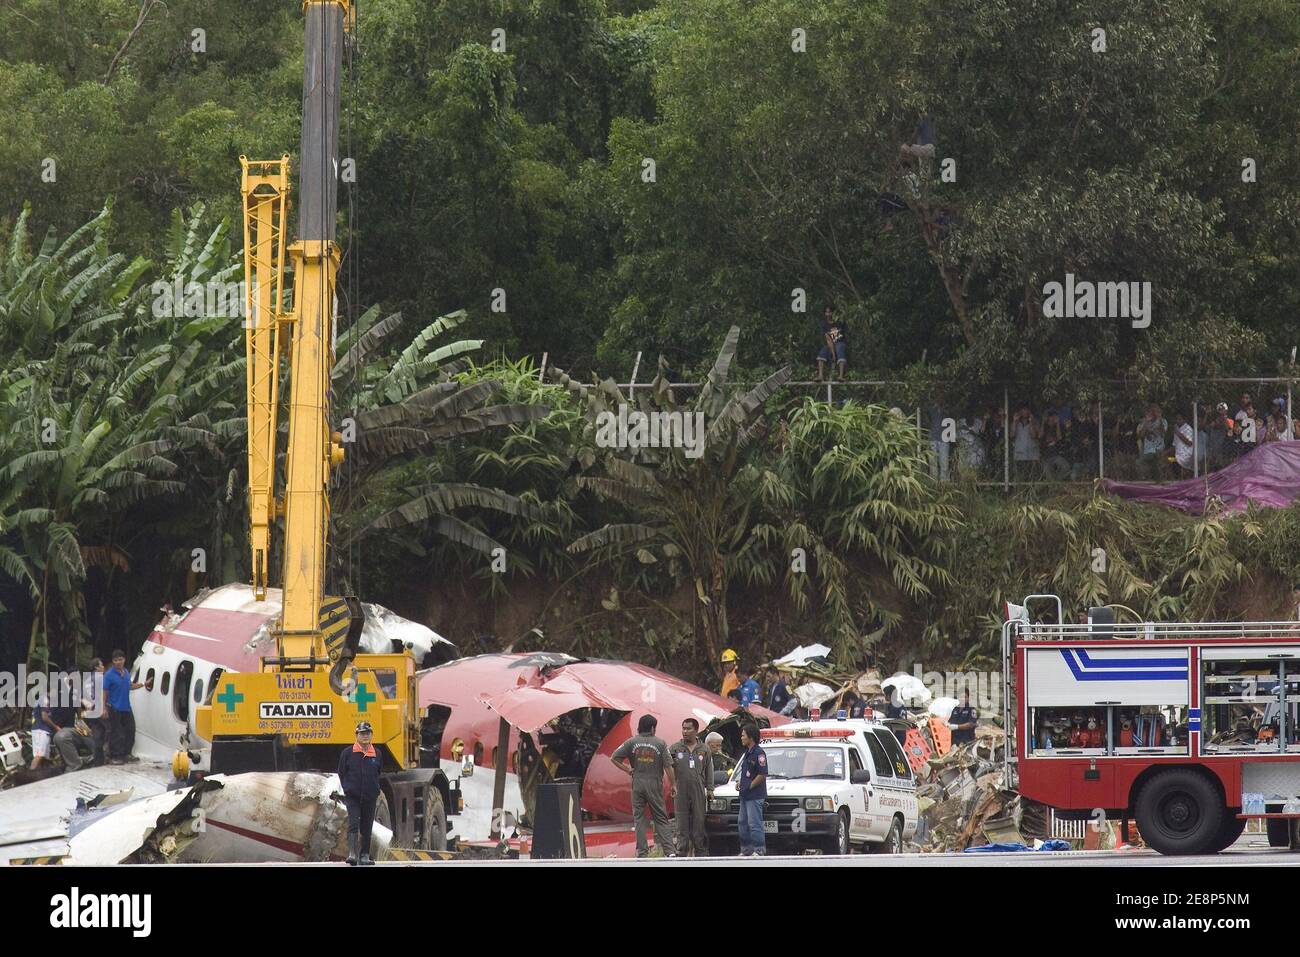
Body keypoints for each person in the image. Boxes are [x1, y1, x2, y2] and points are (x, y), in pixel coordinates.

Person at [611, 714, 677, 858]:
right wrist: (673, 784)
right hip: (654, 783)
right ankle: (670, 852)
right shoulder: (660, 743)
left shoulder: (631, 742)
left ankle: (642, 852)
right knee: (660, 818)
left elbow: (614, 757)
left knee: (639, 818)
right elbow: (669, 767)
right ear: (653, 728)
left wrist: (627, 769)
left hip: (638, 783)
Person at [338, 721, 383, 865]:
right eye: (362, 733)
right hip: (353, 796)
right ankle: (352, 854)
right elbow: (341, 772)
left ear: (371, 735)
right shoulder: (347, 753)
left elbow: (378, 772)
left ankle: (364, 855)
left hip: (370, 796)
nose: (365, 736)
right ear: (356, 735)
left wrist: (374, 789)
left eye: (368, 733)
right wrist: (347, 789)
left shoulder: (377, 753)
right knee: (353, 824)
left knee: (367, 826)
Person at [668, 718, 711, 856]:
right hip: (680, 789)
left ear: (696, 730)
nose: (685, 732)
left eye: (688, 729)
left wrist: (710, 789)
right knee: (681, 823)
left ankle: (700, 852)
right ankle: (681, 851)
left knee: (699, 821)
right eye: (683, 728)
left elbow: (709, 770)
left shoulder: (704, 749)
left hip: (698, 789)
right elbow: (667, 768)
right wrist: (672, 784)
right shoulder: (674, 749)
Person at [103, 649, 142, 764]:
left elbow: (129, 686)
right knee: (116, 733)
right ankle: (115, 756)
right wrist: (104, 708)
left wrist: (143, 684)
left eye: (120, 659)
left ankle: (127, 754)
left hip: (126, 707)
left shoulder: (126, 672)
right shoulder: (109, 675)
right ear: (113, 662)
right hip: (114, 707)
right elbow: (104, 692)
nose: (118, 662)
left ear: (124, 660)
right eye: (116, 660)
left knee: (130, 730)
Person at [736, 723, 768, 857]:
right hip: (744, 795)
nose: (741, 738)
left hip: (754, 795)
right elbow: (746, 772)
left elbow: (762, 774)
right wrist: (740, 782)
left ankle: (759, 849)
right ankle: (746, 850)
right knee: (742, 822)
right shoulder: (747, 753)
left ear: (751, 737)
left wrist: (750, 786)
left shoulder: (759, 753)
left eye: (743, 735)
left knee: (754, 823)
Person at [52, 675, 94, 772]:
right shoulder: (60, 690)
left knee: (89, 735)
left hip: (75, 725)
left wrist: (80, 718)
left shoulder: (75, 691)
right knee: (62, 736)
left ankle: (96, 757)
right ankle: (77, 763)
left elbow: (79, 705)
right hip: (61, 728)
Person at [815, 305, 847, 383]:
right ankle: (820, 375)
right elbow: (828, 339)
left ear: (833, 313)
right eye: (826, 312)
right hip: (831, 344)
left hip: (840, 342)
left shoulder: (839, 322)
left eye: (830, 312)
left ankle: (841, 376)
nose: (828, 314)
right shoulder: (824, 324)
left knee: (840, 349)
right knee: (823, 351)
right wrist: (833, 353)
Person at [1136, 404, 1167, 480]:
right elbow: (1141, 436)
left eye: (1156, 411)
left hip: (1158, 449)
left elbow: (1163, 433)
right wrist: (1146, 422)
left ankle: (1158, 480)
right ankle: (1144, 479)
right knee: (1139, 462)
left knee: (1157, 463)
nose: (1154, 413)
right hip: (1148, 450)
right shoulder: (1146, 422)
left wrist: (1159, 418)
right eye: (1153, 411)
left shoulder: (1163, 421)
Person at [29, 689, 57, 770]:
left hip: (42, 730)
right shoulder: (44, 699)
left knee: (45, 757)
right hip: (41, 730)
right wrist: (55, 727)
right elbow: (44, 717)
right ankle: (30, 777)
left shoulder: (44, 700)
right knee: (39, 756)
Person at [1011, 405, 1040, 481]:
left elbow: (1034, 435)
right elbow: (1012, 435)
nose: (1025, 412)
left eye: (1026, 409)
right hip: (1019, 454)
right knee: (1019, 477)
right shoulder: (1016, 423)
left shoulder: (1035, 422)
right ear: (1020, 411)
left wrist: (1031, 422)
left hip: (1032, 455)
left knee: (1032, 477)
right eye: (1023, 409)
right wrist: (1014, 421)